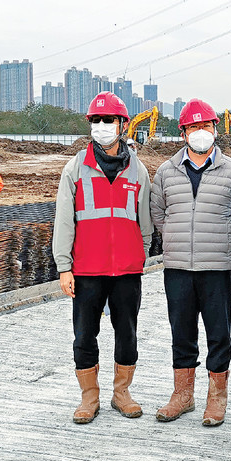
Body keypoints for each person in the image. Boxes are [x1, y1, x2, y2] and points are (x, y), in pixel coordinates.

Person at [52, 92, 153, 424]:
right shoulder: (75, 168)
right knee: (84, 334)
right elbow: (65, 220)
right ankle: (89, 397)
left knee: (127, 333)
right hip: (87, 269)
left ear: (122, 125)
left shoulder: (138, 170)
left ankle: (121, 393)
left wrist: (140, 255)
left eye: (108, 120)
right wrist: (64, 266)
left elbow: (145, 221)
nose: (102, 126)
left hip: (126, 270)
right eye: (96, 120)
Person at [150, 98, 231, 427]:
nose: (200, 132)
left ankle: (216, 397)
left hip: (215, 267)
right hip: (177, 266)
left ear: (215, 129)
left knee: (218, 332)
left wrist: (215, 242)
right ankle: (183, 395)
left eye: (205, 125)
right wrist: (180, 239)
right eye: (193, 127)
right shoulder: (166, 171)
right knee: (182, 331)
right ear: (183, 133)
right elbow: (158, 214)